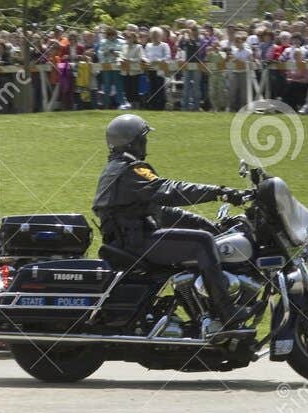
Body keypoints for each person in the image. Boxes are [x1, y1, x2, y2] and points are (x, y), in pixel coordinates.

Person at [92, 114, 253, 332]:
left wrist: (209, 226)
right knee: (203, 243)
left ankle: (203, 310)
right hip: (136, 243)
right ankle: (226, 311)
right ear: (133, 142)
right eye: (143, 138)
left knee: (206, 235)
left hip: (130, 240)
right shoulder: (131, 170)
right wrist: (220, 193)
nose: (146, 143)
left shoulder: (118, 168)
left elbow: (162, 211)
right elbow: (169, 191)